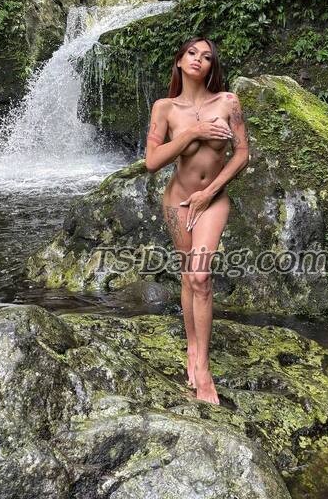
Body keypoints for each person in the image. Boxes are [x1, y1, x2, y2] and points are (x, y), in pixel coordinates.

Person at [144, 36, 250, 404]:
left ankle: (202, 368)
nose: (197, 60)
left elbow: (242, 154)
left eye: (206, 57)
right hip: (178, 202)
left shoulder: (228, 102)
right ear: (179, 60)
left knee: (201, 276)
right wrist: (193, 132)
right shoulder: (164, 108)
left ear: (211, 67)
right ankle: (192, 347)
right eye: (191, 53)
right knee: (188, 274)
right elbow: (152, 161)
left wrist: (210, 191)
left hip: (213, 200)